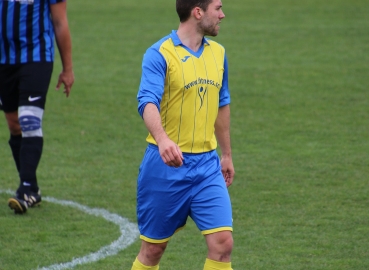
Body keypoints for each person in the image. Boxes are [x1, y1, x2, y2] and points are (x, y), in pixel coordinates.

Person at [131, 0, 235, 269]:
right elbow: (146, 101)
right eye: (218, 8)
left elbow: (222, 103)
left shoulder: (219, 53)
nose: (222, 15)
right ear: (197, 12)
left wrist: (226, 154)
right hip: (165, 166)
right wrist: (163, 139)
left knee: (223, 244)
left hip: (207, 167)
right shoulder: (159, 54)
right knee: (153, 250)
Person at [0, 0, 74, 214]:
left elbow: (60, 23)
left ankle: (25, 190)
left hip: (36, 57)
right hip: (4, 61)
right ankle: (31, 186)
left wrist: (67, 69)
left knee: (29, 120)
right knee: (14, 125)